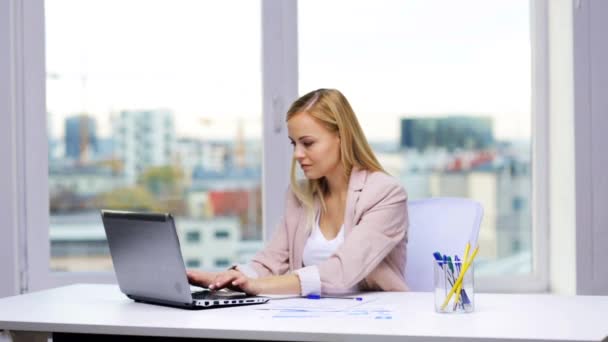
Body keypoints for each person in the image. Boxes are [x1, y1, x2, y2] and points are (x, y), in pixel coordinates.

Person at [187, 88, 408, 295]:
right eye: (294, 144)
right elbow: (271, 262)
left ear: (342, 138)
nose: (297, 154)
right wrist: (230, 278)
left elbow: (342, 270)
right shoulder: (300, 196)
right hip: (310, 318)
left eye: (308, 143)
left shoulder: (385, 193)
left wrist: (258, 285)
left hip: (374, 322)